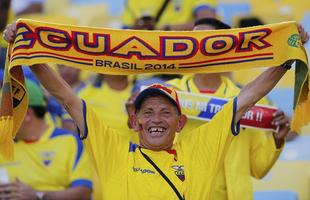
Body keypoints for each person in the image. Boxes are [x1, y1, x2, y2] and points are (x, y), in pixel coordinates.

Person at [3, 23, 309, 199]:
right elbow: (65, 97)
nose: (156, 119)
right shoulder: (113, 150)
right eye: (147, 111)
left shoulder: (200, 145)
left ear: (181, 122)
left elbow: (249, 96)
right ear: (134, 121)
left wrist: (287, 55)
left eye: (166, 112)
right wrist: (30, 52)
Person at [165, 17, 292, 200]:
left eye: (207, 41)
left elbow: (258, 168)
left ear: (225, 49)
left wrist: (277, 140)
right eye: (193, 41)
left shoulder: (254, 101)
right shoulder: (166, 95)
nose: (199, 47)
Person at [0, 79, 93, 200]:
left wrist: (38, 196)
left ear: (27, 114)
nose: (3, 120)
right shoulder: (3, 145)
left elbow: (83, 192)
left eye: (5, 114)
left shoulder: (69, 142)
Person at [122, 0, 217, 30]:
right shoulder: (133, 1)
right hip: (148, 70)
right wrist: (138, 28)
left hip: (187, 69)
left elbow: (208, 23)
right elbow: (123, 36)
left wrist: (165, 29)